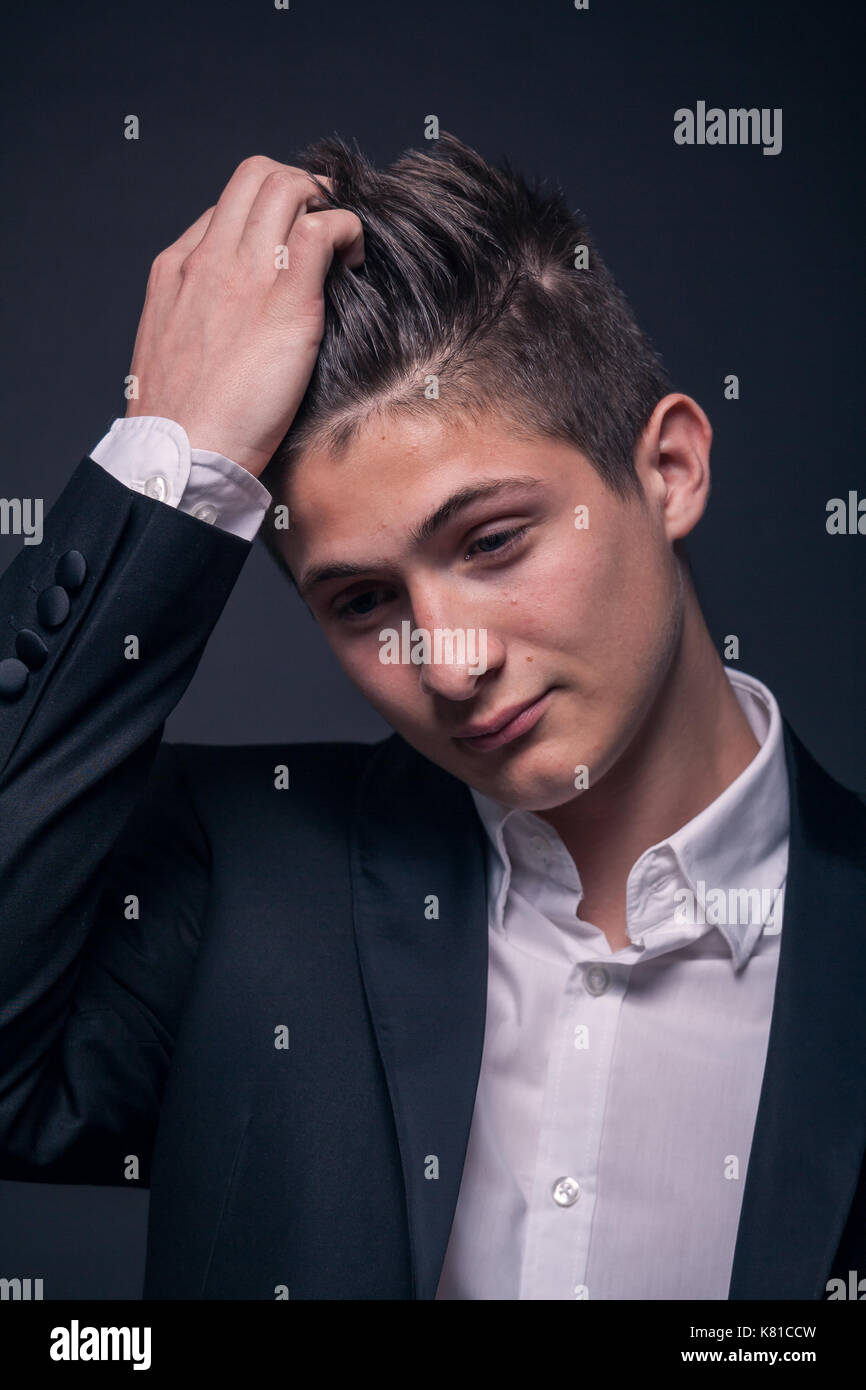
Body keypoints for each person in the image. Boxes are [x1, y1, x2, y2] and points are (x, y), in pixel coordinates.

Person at [0, 134, 863, 1301]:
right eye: (362, 601)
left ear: (666, 468)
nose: (448, 663)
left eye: (493, 541)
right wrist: (177, 461)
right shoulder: (234, 886)